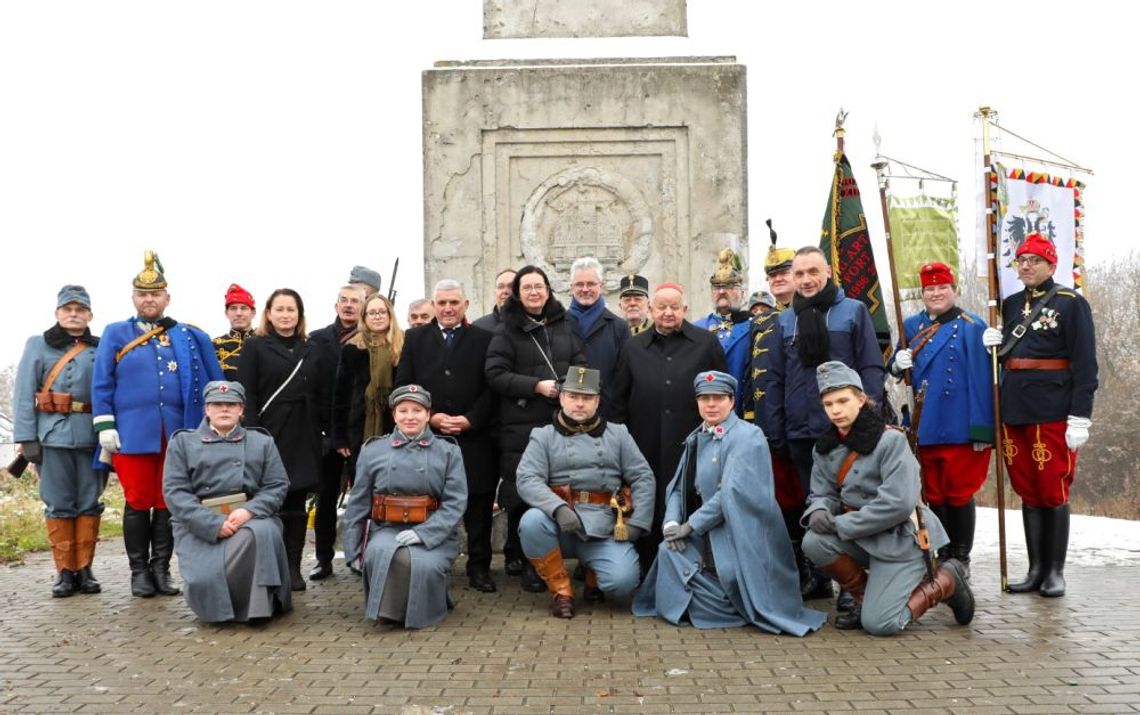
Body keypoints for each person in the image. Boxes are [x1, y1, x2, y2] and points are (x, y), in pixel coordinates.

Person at [633, 370, 825, 635]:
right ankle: (702, 599)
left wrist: (690, 526)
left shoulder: (749, 436)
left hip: (741, 533)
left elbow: (731, 493)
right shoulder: (696, 437)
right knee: (668, 551)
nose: (711, 404)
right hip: (706, 532)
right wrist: (671, 523)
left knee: (731, 581)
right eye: (704, 398)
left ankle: (714, 602)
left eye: (718, 398)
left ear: (732, 401)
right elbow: (677, 487)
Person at [801, 361, 974, 634]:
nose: (835, 410)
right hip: (863, 537)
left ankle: (946, 580)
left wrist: (841, 525)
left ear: (860, 399)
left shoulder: (890, 441)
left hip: (902, 540)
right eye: (828, 404)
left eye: (843, 401)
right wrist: (819, 510)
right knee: (814, 541)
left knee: (881, 625)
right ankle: (864, 600)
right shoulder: (825, 448)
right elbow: (821, 492)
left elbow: (898, 504)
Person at [92, 251, 224, 598]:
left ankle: (161, 570)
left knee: (169, 501)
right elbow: (102, 381)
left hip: (178, 432)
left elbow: (212, 382)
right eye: (142, 294)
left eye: (155, 294)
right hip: (133, 433)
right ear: (134, 297)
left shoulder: (187, 336)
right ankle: (139, 573)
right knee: (137, 501)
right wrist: (104, 424)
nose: (148, 299)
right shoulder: (116, 333)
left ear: (167, 297)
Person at [765, 245, 887, 603]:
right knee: (813, 505)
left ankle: (856, 584)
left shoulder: (852, 312)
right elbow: (775, 378)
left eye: (812, 272)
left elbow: (870, 367)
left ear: (829, 272)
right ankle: (821, 578)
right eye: (799, 274)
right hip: (802, 431)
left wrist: (869, 416)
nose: (806, 280)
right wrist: (776, 429)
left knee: (854, 504)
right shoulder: (785, 320)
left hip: (848, 430)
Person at [982, 233, 1098, 598]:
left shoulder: (1070, 303)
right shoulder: (1011, 304)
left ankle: (1054, 572)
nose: (1027, 265)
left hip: (1052, 409)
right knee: (1028, 491)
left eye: (1035, 259)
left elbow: (1086, 364)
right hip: (1014, 408)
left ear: (1051, 264)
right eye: (1021, 260)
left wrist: (1081, 416)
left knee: (1052, 489)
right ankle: (1034, 569)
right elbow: (1009, 358)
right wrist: (993, 348)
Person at [515, 367, 654, 618]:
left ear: (597, 401)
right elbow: (527, 478)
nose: (580, 404)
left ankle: (593, 577)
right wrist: (557, 508)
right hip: (560, 525)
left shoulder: (618, 434)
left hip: (603, 525)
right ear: (562, 398)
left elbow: (642, 476)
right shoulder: (543, 436)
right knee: (532, 521)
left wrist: (638, 522)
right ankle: (561, 591)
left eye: (587, 398)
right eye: (573, 397)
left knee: (623, 582)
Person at [609, 282, 727, 571]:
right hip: (643, 444)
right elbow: (618, 399)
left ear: (685, 309)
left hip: (693, 444)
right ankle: (648, 568)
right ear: (651, 309)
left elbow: (723, 392)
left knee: (690, 502)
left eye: (674, 307)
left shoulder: (706, 343)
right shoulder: (633, 347)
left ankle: (693, 568)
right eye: (661, 306)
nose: (668, 312)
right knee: (646, 504)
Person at [485, 265, 586, 592]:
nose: (533, 292)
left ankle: (555, 558)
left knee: (557, 490)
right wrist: (536, 387)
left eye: (538, 286)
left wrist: (571, 390)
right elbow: (495, 374)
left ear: (547, 290)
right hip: (522, 426)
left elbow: (581, 364)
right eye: (526, 287)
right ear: (517, 293)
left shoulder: (564, 323)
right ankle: (530, 564)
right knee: (524, 494)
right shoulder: (506, 329)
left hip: (562, 423)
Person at [889, 262, 993, 576]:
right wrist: (897, 363)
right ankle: (943, 551)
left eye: (941, 288)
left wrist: (982, 429)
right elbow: (895, 369)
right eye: (929, 289)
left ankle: (961, 556)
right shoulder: (910, 326)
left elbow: (982, 381)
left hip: (961, 423)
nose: (935, 294)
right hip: (925, 422)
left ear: (954, 290)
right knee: (933, 493)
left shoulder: (973, 326)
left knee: (959, 492)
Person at [395, 280, 498, 592]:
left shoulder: (484, 339)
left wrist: (470, 420)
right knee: (433, 502)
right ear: (434, 306)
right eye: (442, 303)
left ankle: (479, 567)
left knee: (479, 505)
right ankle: (433, 564)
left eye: (454, 303)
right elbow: (404, 386)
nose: (448, 309)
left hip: (474, 436)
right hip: (431, 438)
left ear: (466, 304)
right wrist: (433, 416)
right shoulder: (414, 338)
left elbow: (492, 387)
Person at [162, 381, 292, 623]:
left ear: (241, 410)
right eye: (217, 404)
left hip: (250, 518)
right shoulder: (182, 443)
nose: (224, 409)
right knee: (204, 580)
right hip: (199, 523)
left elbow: (276, 485)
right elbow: (175, 492)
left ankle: (257, 609)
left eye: (231, 405)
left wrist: (249, 511)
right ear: (206, 410)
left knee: (259, 534)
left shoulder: (262, 442)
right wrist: (212, 524)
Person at [341, 385, 468, 628]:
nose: (410, 416)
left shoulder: (448, 451)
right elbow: (358, 503)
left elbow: (455, 502)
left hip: (434, 533)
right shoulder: (373, 450)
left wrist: (424, 533)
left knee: (422, 563)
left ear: (428, 414)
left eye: (417, 410)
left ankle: (421, 609)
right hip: (386, 528)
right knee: (382, 552)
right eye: (403, 410)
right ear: (394, 415)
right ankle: (388, 611)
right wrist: (352, 550)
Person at [14, 285, 105, 597]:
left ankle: (85, 569)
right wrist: (26, 438)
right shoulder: (38, 344)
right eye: (68, 309)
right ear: (57, 313)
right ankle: (65, 571)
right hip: (52, 436)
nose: (74, 314)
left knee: (90, 502)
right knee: (59, 503)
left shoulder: (101, 346)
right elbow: (24, 394)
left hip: (92, 436)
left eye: (80, 310)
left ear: (90, 315)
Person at [237, 288, 329, 592]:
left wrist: (325, 433)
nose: (286, 315)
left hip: (304, 431)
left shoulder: (312, 348)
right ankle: (269, 564)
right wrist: (251, 433)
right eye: (280, 309)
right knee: (268, 502)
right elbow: (247, 393)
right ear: (269, 313)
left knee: (296, 502)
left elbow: (324, 394)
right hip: (269, 431)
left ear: (300, 315)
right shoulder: (255, 347)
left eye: (292, 309)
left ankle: (293, 567)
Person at [747, 231, 818, 600]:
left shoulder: (810, 317)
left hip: (804, 427)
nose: (778, 279)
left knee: (811, 499)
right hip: (769, 426)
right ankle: (799, 568)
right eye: (771, 275)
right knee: (785, 501)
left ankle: (819, 572)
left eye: (784, 272)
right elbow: (758, 379)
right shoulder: (761, 322)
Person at [307, 284, 366, 581]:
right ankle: (323, 559)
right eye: (344, 300)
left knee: (365, 498)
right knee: (326, 499)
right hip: (328, 434)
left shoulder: (372, 339)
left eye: (355, 301)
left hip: (360, 433)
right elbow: (313, 389)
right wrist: (326, 433)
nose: (349, 306)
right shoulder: (317, 340)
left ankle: (361, 555)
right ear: (335, 306)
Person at [333, 292, 403, 467]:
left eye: (382, 311)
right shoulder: (352, 348)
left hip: (399, 426)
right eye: (372, 313)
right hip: (360, 428)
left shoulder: (404, 344)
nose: (377, 316)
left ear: (390, 314)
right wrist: (340, 437)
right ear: (364, 317)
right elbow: (341, 396)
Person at [566, 257, 629, 410]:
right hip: (567, 414)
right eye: (579, 284)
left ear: (601, 286)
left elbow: (624, 378)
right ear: (571, 287)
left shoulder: (619, 327)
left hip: (607, 414)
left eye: (591, 284)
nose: (585, 289)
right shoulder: (557, 325)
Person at [693, 249, 752, 410]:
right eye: (717, 287)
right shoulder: (697, 327)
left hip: (743, 408)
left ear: (742, 292)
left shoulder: (754, 326)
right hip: (708, 408)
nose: (721, 292)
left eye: (728, 286)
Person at [212, 283, 257, 380]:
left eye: (244, 308)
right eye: (233, 308)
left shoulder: (265, 342)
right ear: (226, 313)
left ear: (253, 313)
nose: (239, 313)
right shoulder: (214, 346)